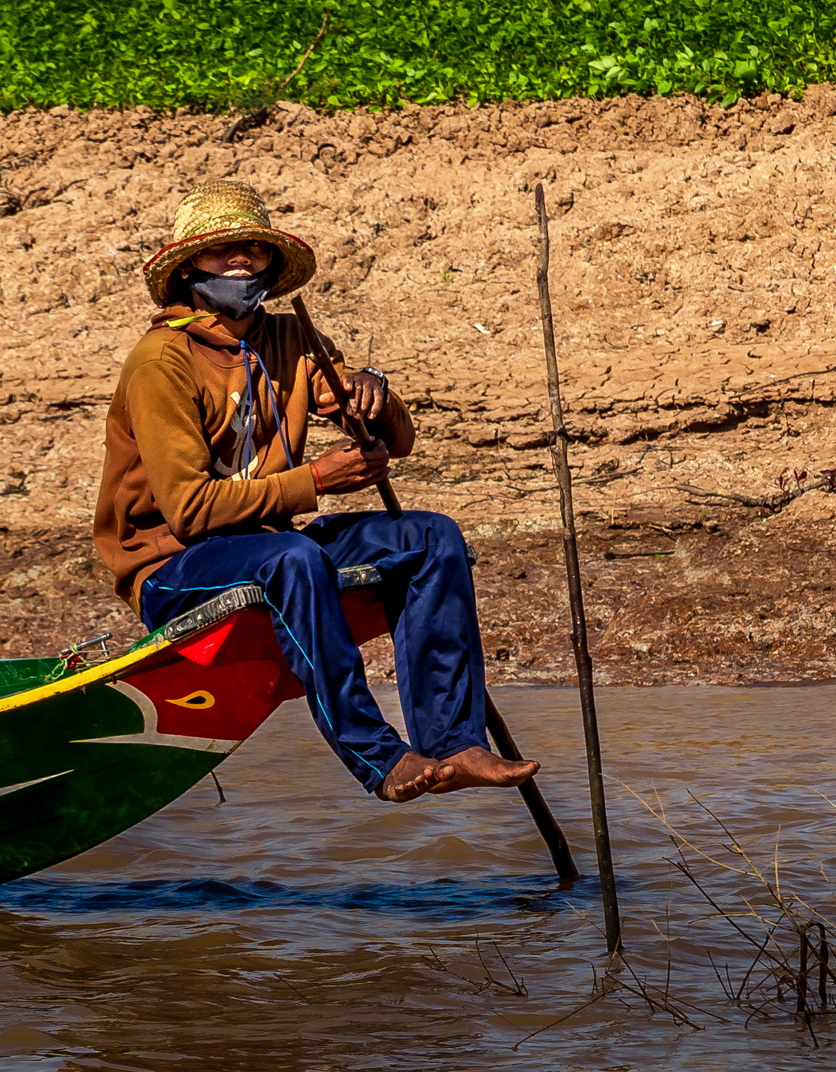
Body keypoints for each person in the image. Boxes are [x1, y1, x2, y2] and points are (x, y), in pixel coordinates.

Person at [93, 183, 538, 803]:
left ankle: (452, 743)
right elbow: (190, 511)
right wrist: (318, 480)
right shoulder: (160, 361)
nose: (241, 261)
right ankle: (379, 757)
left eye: (252, 248)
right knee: (293, 558)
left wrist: (371, 394)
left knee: (430, 537)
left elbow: (396, 440)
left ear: (272, 263)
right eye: (223, 252)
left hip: (265, 539)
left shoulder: (288, 342)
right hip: (172, 564)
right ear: (190, 267)